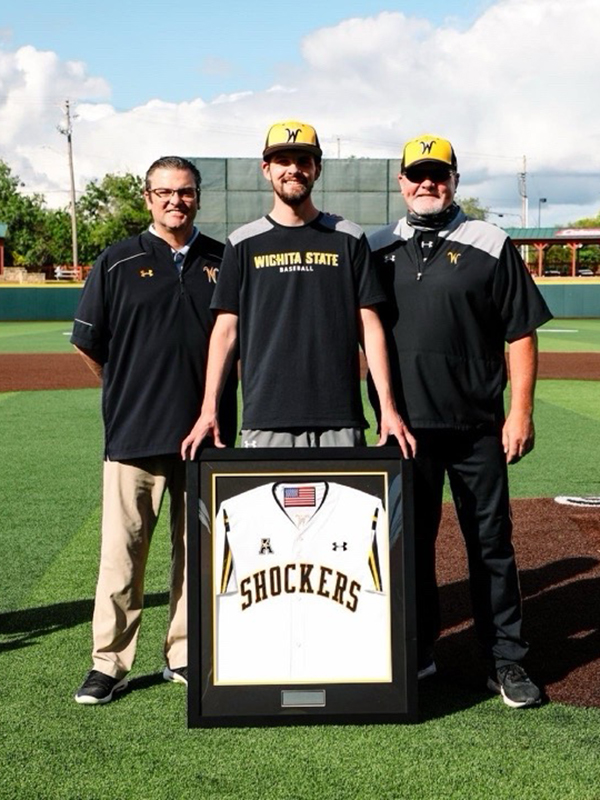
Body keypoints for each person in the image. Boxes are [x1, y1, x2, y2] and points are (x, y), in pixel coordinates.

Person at [369, 134, 553, 708]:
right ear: (401, 182)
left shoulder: (490, 242)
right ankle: (418, 650)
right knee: (410, 547)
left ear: (455, 180)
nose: (429, 184)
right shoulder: (374, 248)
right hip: (404, 429)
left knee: (491, 545)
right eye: (417, 174)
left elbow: (520, 332)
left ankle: (506, 661)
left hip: (477, 427)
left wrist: (519, 411)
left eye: (439, 174)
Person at [71, 156, 236, 704]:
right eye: (164, 192)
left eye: (185, 192)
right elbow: (89, 345)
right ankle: (109, 663)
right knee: (122, 554)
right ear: (147, 198)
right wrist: (125, 390)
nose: (175, 201)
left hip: (205, 436)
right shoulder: (116, 261)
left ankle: (185, 653)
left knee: (197, 554)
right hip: (135, 434)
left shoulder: (223, 259)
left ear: (197, 197)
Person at [181, 119, 415, 457]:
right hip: (266, 418)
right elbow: (226, 332)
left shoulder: (348, 237)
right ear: (266, 169)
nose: (294, 170)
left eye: (303, 161)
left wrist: (388, 410)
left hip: (340, 419)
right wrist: (208, 409)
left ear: (317, 168)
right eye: (283, 161)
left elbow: (370, 326)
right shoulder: (243, 243)